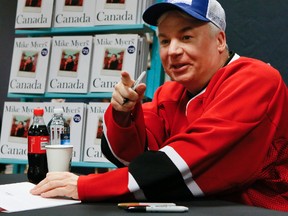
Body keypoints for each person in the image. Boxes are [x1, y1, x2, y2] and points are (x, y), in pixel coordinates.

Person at [30, 0, 288, 211]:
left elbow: (184, 163)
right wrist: (123, 115)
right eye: (164, 41)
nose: (172, 50)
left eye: (186, 37)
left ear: (220, 41)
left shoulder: (255, 79)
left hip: (263, 209)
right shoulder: (171, 92)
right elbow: (134, 157)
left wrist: (86, 186)